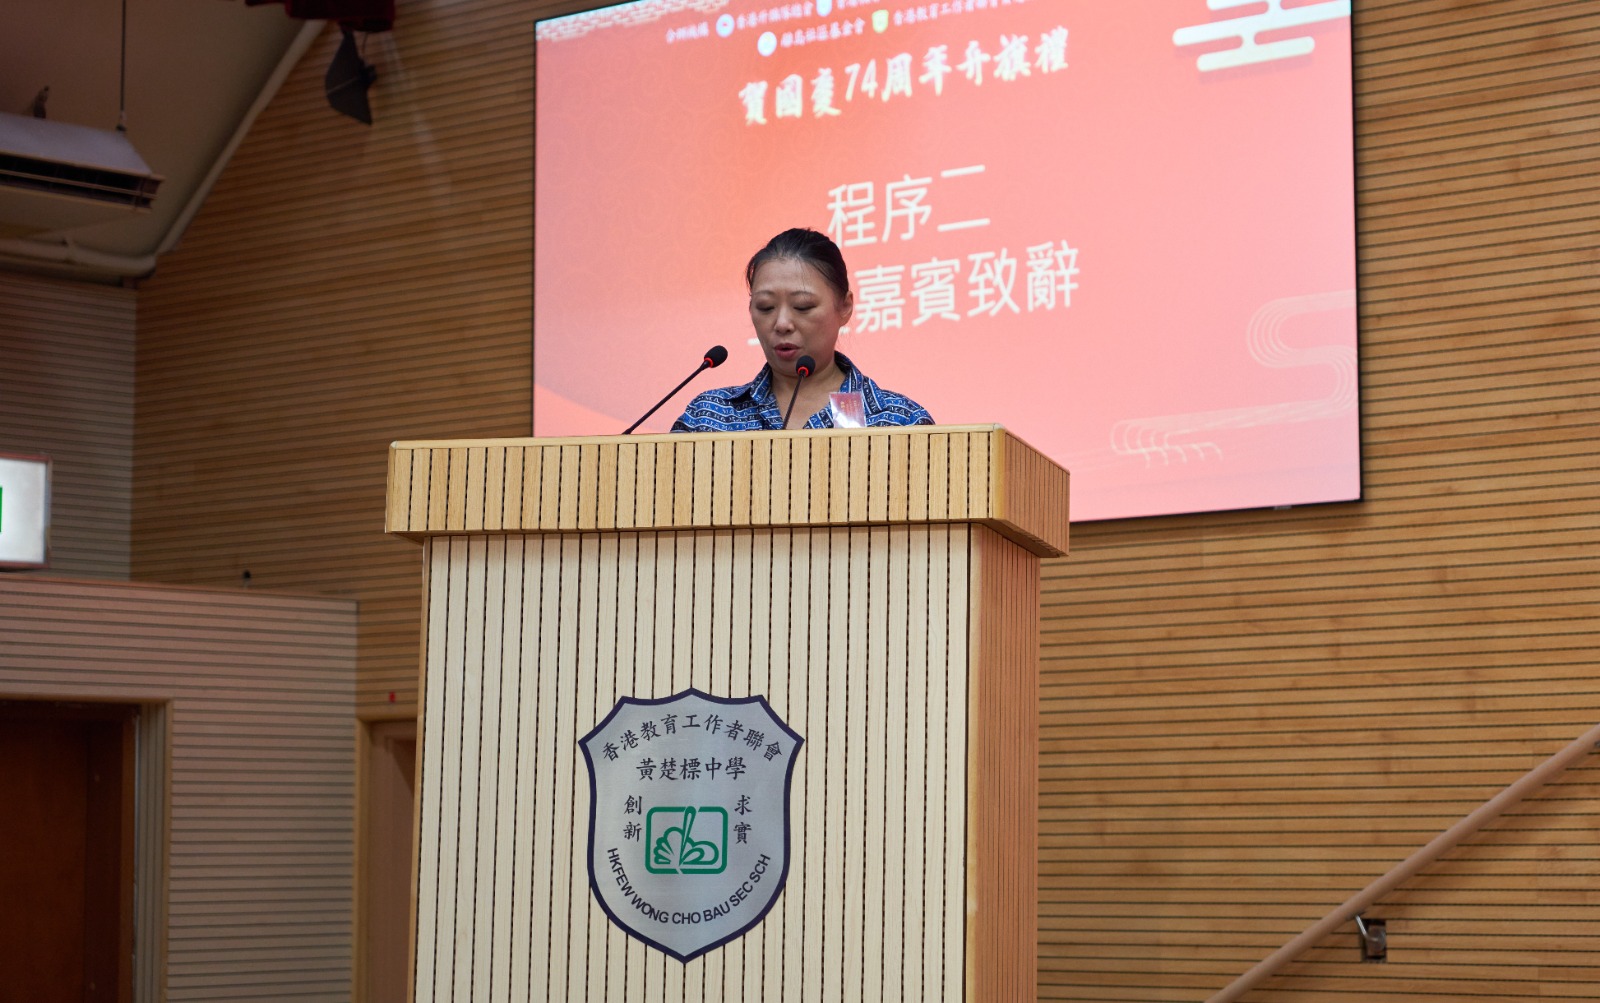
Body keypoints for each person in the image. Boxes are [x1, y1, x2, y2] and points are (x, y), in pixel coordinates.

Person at [672, 228, 934, 432]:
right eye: (765, 307)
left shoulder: (901, 422)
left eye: (803, 306)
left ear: (845, 307)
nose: (782, 324)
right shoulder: (708, 418)